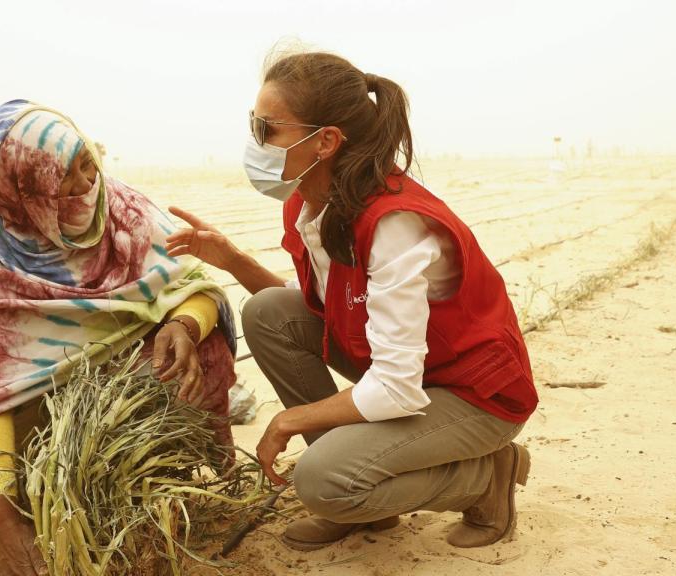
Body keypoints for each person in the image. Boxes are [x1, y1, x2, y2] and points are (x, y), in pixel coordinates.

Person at [166, 51, 538, 552]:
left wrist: (289, 419)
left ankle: (487, 478)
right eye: (254, 126)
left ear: (324, 141)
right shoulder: (309, 203)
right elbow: (324, 308)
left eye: (267, 129)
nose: (257, 142)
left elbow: (398, 389)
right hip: (413, 373)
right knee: (268, 312)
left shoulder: (396, 226)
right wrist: (231, 259)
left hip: (473, 393)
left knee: (321, 482)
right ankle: (366, 497)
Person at [0, 100, 238, 576]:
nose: (85, 185)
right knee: (43, 484)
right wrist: (0, 519)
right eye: (62, 178)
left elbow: (193, 282)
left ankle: (178, 476)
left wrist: (184, 324)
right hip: (32, 423)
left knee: (200, 347)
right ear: (22, 188)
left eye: (87, 163)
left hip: (110, 401)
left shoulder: (124, 214)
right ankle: (27, 491)